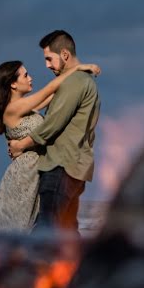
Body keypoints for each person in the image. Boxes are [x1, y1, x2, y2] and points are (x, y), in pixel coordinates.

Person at [0, 58, 100, 231]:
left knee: (43, 223)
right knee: (19, 228)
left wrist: (79, 80)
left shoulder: (27, 108)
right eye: (25, 75)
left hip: (36, 171)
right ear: (13, 85)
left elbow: (58, 94)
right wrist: (78, 68)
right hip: (23, 177)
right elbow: (50, 89)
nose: (30, 78)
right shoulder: (13, 109)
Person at [7, 30, 100, 233]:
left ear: (65, 55)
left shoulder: (74, 82)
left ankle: (31, 265)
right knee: (66, 232)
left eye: (49, 59)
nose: (47, 65)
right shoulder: (82, 81)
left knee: (45, 231)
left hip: (61, 165)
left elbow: (53, 124)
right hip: (76, 167)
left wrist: (20, 145)